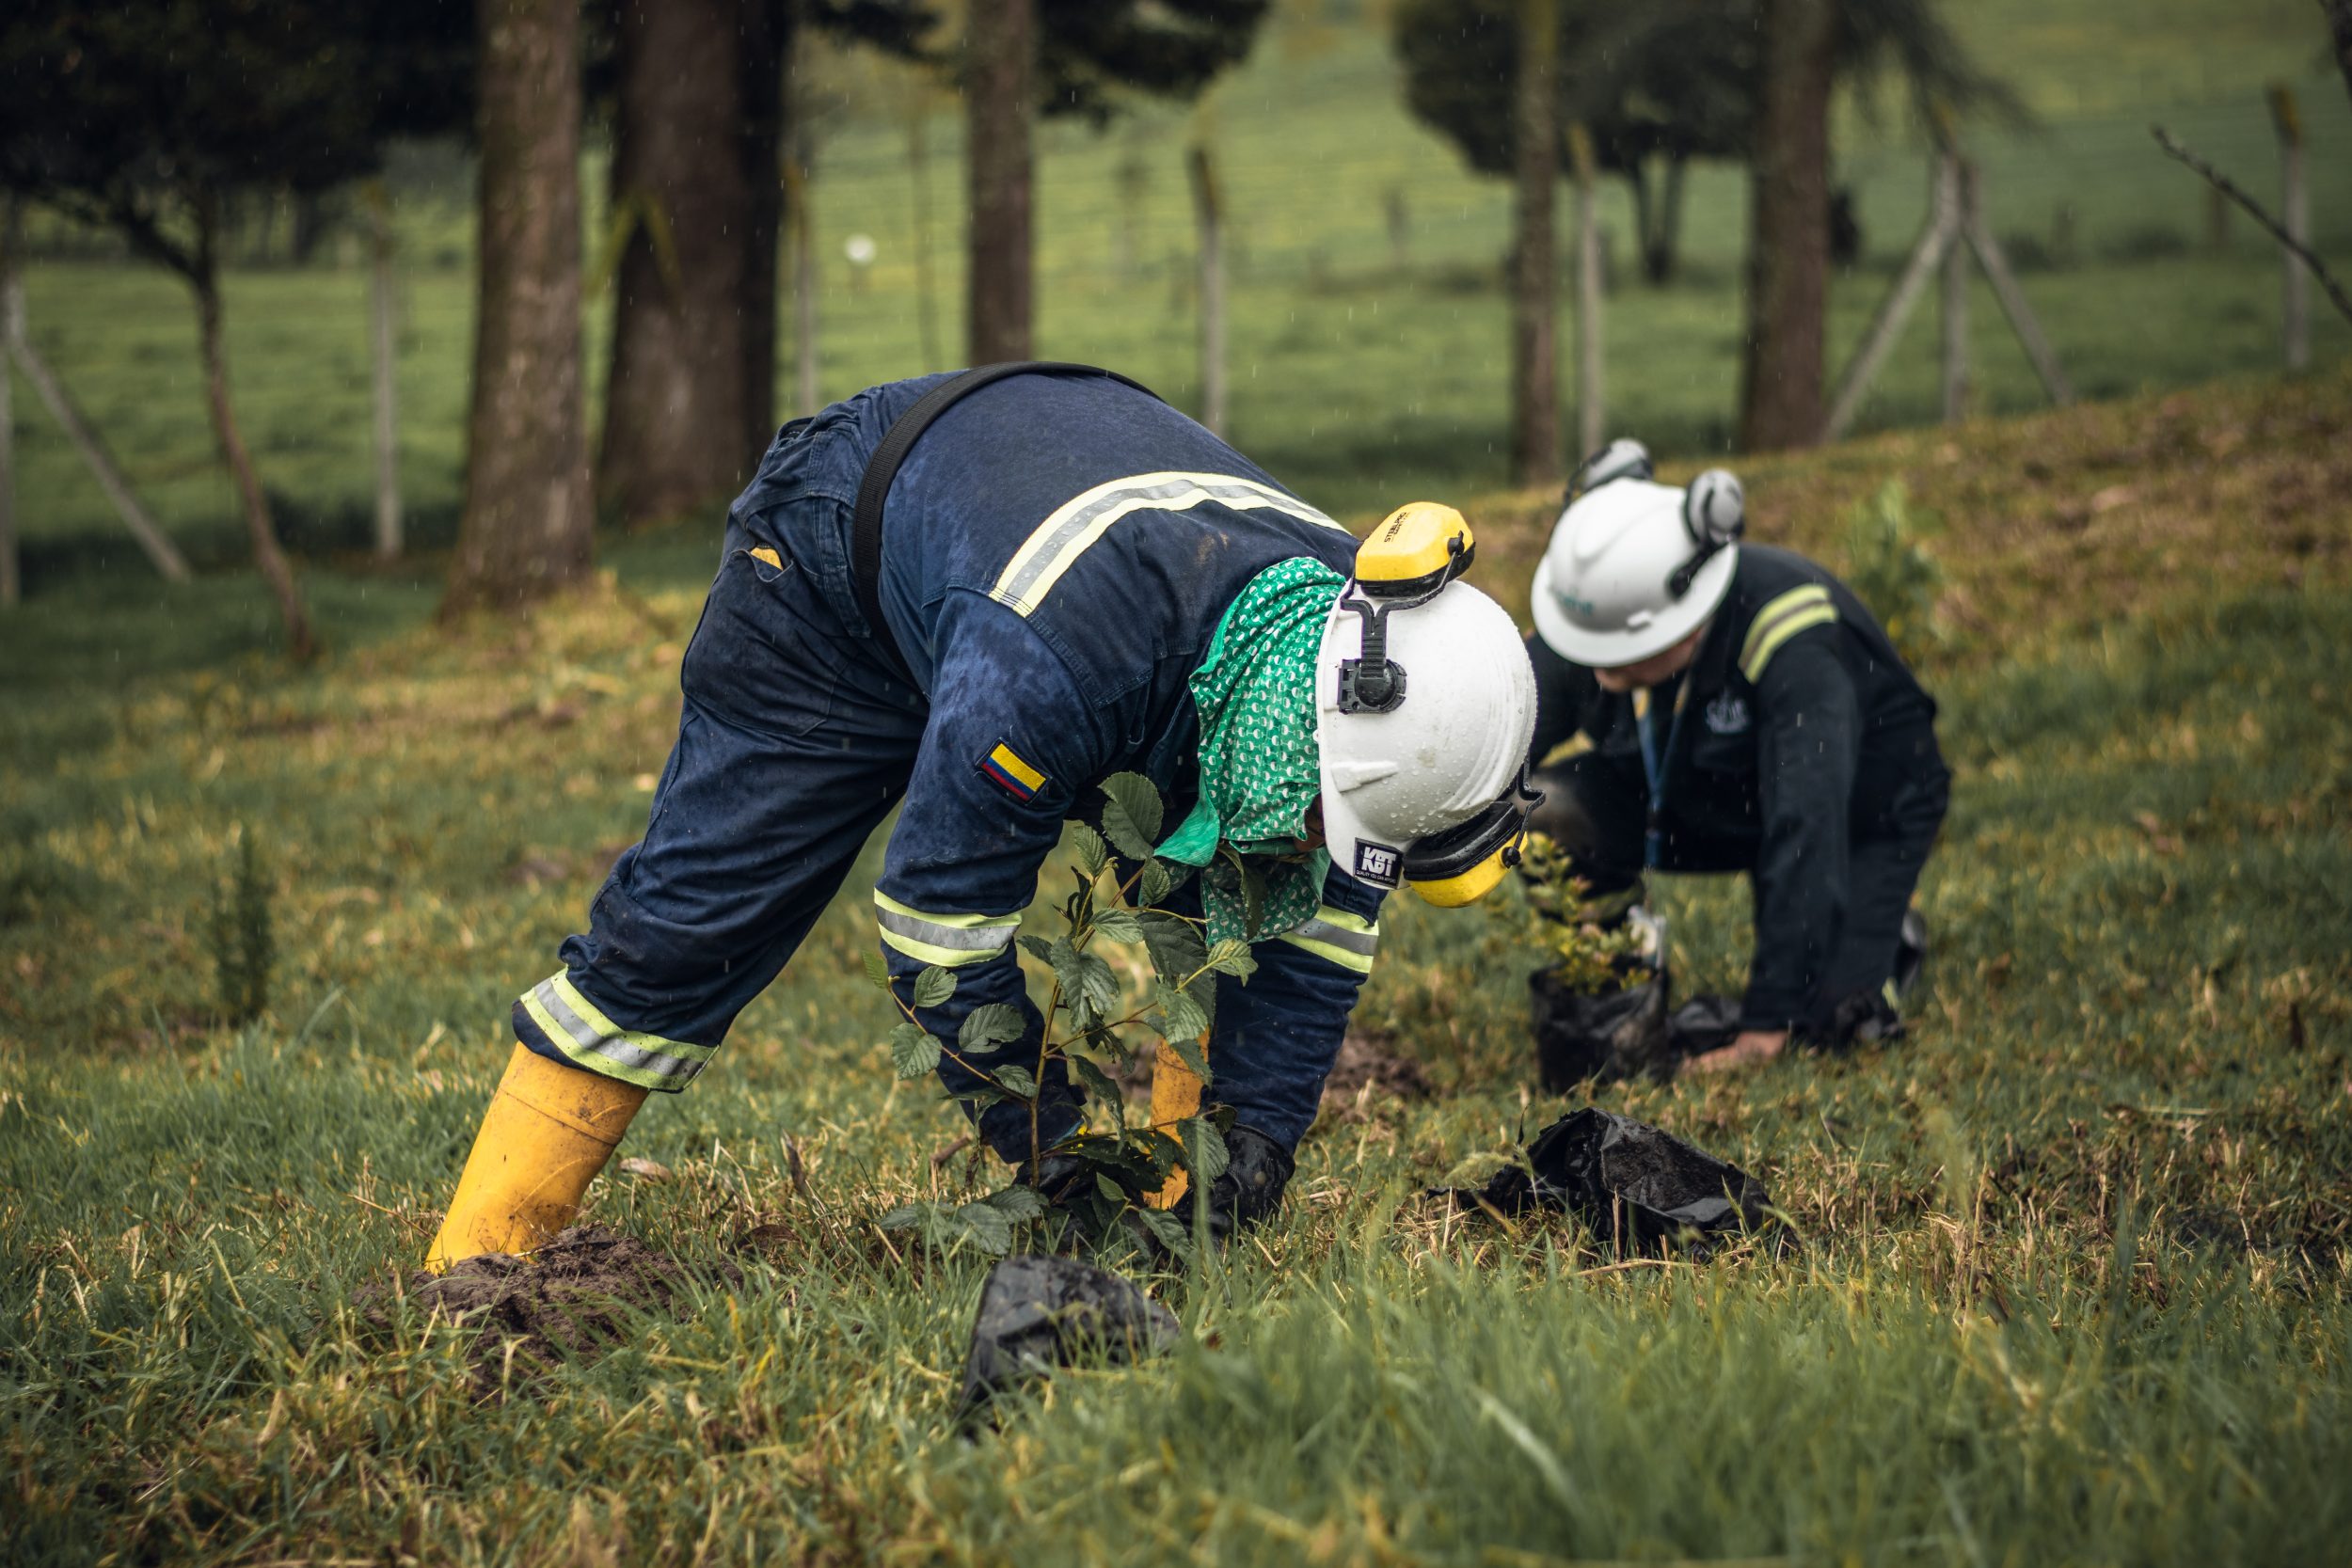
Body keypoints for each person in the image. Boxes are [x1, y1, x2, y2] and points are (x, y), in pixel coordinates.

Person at [427, 363, 1538, 1267]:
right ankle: (476, 1265)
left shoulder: (1374, 666)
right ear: (1309, 725)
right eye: (1320, 816)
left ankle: (1180, 1202)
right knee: (699, 911)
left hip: (1041, 509)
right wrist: (1057, 1150)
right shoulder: (1060, 662)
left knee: (1248, 862)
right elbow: (935, 933)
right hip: (843, 553)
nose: (1316, 843)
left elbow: (1317, 925)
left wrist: (1251, 1146)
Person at [1521, 440, 1948, 1075]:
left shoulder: (1796, 647)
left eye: (1616, 652)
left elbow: (1809, 823)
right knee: (1548, 812)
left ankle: (1877, 927)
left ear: (1687, 624)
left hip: (1860, 809)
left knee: (1829, 1023)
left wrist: (1765, 1028)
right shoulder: (1600, 615)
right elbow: (1508, 735)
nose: (1596, 666)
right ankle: (1617, 972)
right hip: (1702, 784)